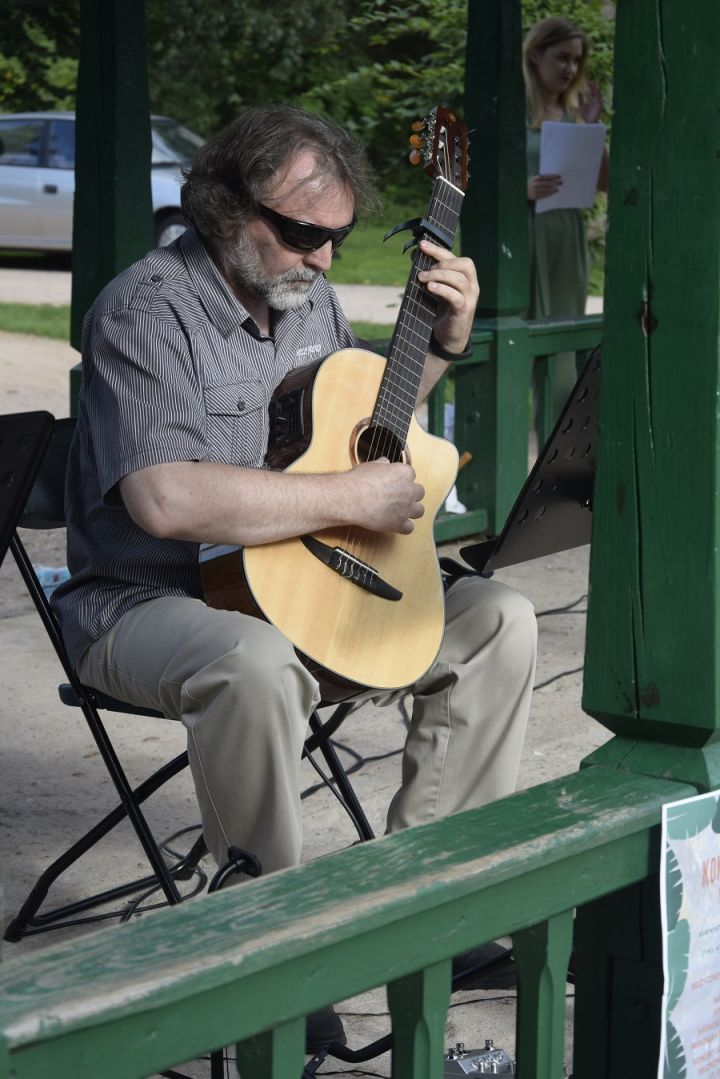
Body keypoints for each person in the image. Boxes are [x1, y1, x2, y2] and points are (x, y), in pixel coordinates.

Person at [52, 104, 537, 1047]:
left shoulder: (307, 296)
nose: (323, 259)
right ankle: (270, 956)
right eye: (305, 233)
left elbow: (356, 426)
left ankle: (432, 905)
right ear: (226, 207)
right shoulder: (145, 311)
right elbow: (164, 499)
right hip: (147, 599)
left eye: (339, 238)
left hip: (302, 580)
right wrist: (347, 497)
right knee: (255, 662)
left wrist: (440, 344)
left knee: (500, 619)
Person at [523, 15, 609, 425]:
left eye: (577, 61)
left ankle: (557, 433)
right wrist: (522, 189)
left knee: (563, 335)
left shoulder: (574, 116)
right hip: (523, 233)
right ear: (535, 55)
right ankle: (511, 427)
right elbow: (477, 175)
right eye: (562, 57)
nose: (571, 69)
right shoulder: (513, 112)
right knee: (522, 331)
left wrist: (592, 127)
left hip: (567, 234)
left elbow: (605, 182)